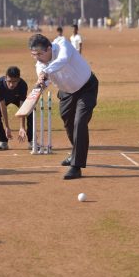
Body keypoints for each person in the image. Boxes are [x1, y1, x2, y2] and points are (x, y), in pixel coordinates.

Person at [28, 34, 98, 180]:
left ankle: (76, 166)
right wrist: (40, 85)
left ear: (49, 48)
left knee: (80, 122)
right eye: (34, 55)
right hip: (66, 92)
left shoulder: (62, 45)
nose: (38, 58)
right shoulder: (40, 65)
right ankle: (75, 151)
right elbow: (45, 81)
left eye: (40, 54)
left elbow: (62, 61)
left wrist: (45, 73)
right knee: (67, 121)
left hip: (86, 88)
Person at [0, 66, 33, 151]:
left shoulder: (22, 85)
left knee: (30, 112)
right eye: (9, 81)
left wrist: (22, 127)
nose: (11, 84)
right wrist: (7, 127)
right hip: (3, 99)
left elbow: (23, 107)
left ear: (18, 79)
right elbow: (2, 106)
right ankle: (3, 141)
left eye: (14, 82)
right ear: (5, 78)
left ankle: (31, 141)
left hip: (17, 98)